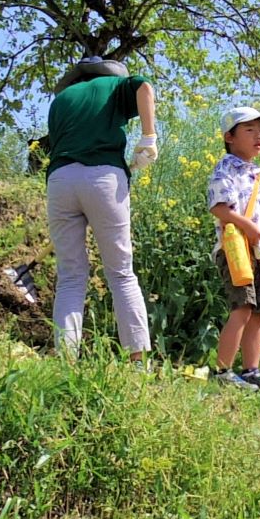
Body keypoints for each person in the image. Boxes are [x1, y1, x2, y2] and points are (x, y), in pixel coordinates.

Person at [44, 56, 158, 357]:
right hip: (103, 177)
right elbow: (144, 87)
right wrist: (149, 137)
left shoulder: (61, 100)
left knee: (70, 276)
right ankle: (137, 363)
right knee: (121, 272)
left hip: (59, 181)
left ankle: (65, 360)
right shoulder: (114, 84)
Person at [208, 104, 260, 390]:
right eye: (249, 130)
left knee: (259, 312)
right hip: (235, 249)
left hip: (255, 251)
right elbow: (220, 208)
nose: (258, 136)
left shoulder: (254, 174)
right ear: (229, 137)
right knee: (242, 307)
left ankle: (251, 371)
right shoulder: (225, 168)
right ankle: (222, 372)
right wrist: (248, 229)